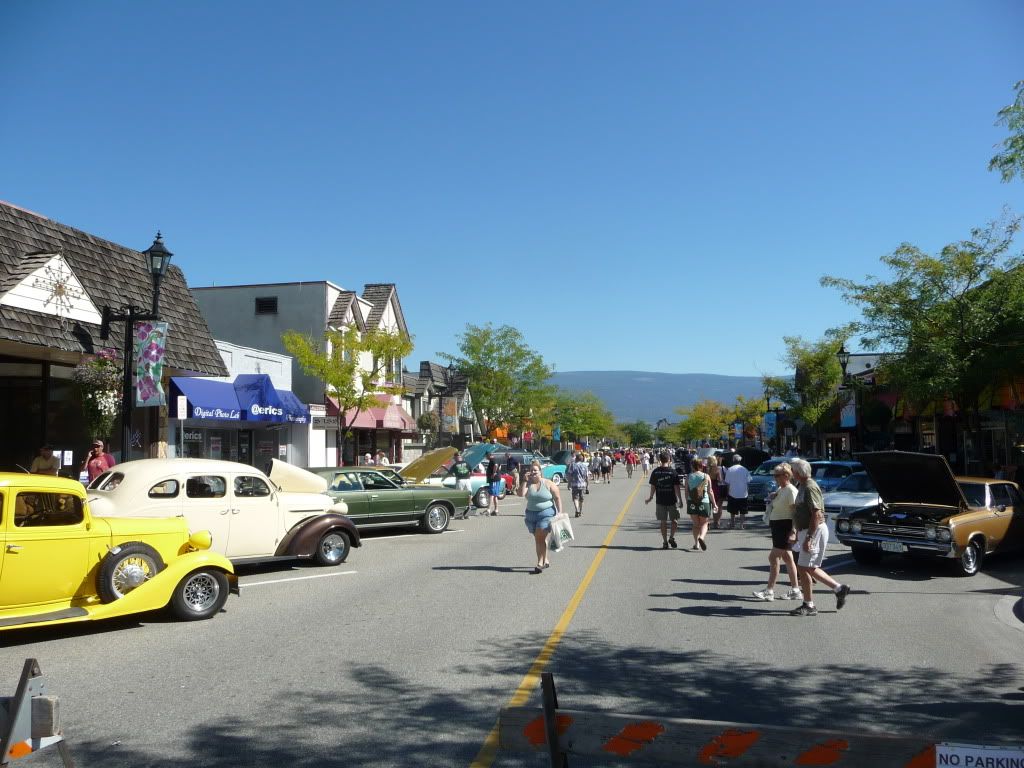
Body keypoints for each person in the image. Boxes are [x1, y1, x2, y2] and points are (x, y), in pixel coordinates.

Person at [788, 458, 852, 616]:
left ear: (798, 472)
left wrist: (809, 537)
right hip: (808, 530)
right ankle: (838, 589)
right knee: (808, 567)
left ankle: (809, 604)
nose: (791, 473)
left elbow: (816, 513)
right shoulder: (802, 485)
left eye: (792, 471)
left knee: (803, 567)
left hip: (813, 530)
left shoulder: (810, 486)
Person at [752, 462, 803, 602]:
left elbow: (795, 513)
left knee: (773, 558)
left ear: (786, 475)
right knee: (788, 558)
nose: (775, 478)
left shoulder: (791, 490)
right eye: (774, 475)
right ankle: (795, 590)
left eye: (777, 475)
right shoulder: (782, 489)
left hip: (784, 527)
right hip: (778, 526)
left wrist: (793, 531)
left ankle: (769, 590)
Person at [517, 460, 563, 574]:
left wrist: (560, 513)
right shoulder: (528, 483)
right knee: (540, 539)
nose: (533, 472)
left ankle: (540, 563)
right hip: (531, 515)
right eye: (531, 470)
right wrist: (524, 480)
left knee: (539, 539)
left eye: (535, 470)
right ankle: (546, 559)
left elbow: (557, 498)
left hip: (546, 514)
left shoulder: (548, 483)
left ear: (540, 472)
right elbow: (521, 494)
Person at [645, 451, 683, 549]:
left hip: (660, 500)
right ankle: (671, 537)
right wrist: (680, 500)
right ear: (669, 459)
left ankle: (665, 542)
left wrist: (650, 497)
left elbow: (653, 486)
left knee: (663, 522)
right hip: (672, 500)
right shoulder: (673, 472)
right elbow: (677, 488)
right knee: (674, 520)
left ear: (659, 460)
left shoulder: (655, 472)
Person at [687, 458, 714, 550]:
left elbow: (686, 491)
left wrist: (687, 501)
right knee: (704, 523)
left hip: (692, 502)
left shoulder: (689, 476)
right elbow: (710, 491)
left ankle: (696, 544)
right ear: (701, 466)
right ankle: (701, 538)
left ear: (692, 466)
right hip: (704, 501)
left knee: (695, 524)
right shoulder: (706, 476)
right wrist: (714, 504)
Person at [724, 453, 752, 529]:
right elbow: (748, 481)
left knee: (732, 510)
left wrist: (727, 492)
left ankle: (732, 524)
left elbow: (727, 483)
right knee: (743, 510)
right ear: (740, 461)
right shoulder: (745, 469)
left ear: (733, 460)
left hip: (732, 492)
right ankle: (741, 525)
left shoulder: (730, 469)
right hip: (743, 493)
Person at [448, 452, 473, 519]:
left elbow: (450, 473)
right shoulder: (466, 463)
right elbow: (471, 471)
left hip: (460, 481)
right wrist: (468, 477)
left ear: (455, 457)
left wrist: (454, 475)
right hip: (467, 480)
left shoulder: (454, 465)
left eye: (454, 457)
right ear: (460, 457)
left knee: (459, 497)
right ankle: (468, 513)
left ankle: (460, 515)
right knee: (469, 495)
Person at [567, 452, 589, 517]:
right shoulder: (585, 466)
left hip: (574, 484)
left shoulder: (572, 465)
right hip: (582, 485)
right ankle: (581, 511)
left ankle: (577, 510)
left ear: (576, 459)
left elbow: (570, 476)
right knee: (581, 499)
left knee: (575, 498)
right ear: (581, 459)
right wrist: (587, 485)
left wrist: (569, 484)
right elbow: (587, 477)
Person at [706, 455, 724, 529]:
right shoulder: (716, 469)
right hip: (715, 487)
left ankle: (707, 523)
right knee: (715, 506)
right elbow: (720, 480)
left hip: (707, 487)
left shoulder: (705, 469)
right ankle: (716, 523)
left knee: (707, 507)